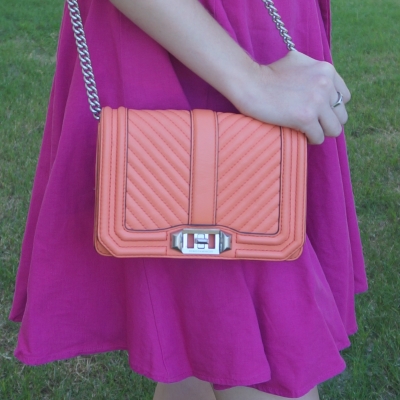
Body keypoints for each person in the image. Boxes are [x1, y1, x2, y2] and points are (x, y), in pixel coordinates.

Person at [10, 0, 368, 399]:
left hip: (224, 38)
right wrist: (253, 81)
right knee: (266, 337)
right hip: (201, 40)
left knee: (199, 348)